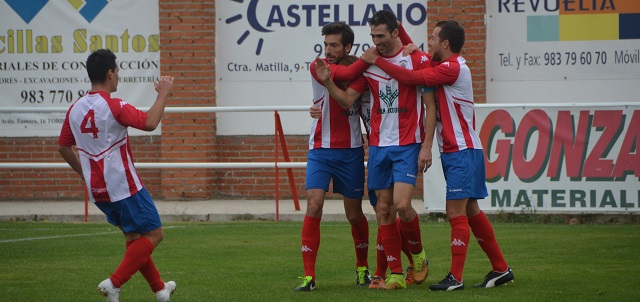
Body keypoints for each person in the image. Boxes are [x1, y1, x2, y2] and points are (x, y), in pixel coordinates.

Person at [360, 20, 515, 291]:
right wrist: (397, 29)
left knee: (455, 211)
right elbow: (417, 57)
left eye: (432, 39)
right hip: (461, 150)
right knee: (471, 210)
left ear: (445, 44)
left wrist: (376, 59)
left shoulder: (453, 69)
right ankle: (501, 269)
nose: (427, 43)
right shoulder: (445, 65)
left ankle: (455, 277)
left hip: (462, 150)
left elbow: (409, 78)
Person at [314, 10, 437, 290]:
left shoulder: (416, 59)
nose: (376, 41)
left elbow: (431, 106)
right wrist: (325, 90)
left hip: (408, 144)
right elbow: (347, 99)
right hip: (379, 146)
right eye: (372, 36)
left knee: (402, 205)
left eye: (381, 36)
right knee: (383, 209)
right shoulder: (369, 65)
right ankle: (394, 274)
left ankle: (418, 256)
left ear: (395, 33)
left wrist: (427, 145)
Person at [58, 49, 177, 302]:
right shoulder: (114, 106)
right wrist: (164, 93)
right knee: (155, 234)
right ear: (110, 73)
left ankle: (160, 290)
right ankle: (114, 283)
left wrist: (85, 173)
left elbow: (63, 146)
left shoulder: (75, 108)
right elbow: (150, 122)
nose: (118, 76)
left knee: (133, 238)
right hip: (124, 186)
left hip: (98, 191)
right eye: (118, 72)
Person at [295, 21, 372, 292]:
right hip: (319, 150)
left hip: (350, 152)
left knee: (353, 214)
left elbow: (349, 93)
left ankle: (362, 269)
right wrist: (366, 59)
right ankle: (308, 277)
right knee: (314, 205)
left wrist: (364, 62)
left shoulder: (359, 75)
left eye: (334, 45)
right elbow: (348, 71)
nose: (328, 49)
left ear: (347, 46)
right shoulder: (318, 66)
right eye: (326, 44)